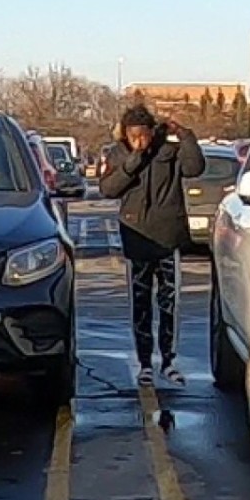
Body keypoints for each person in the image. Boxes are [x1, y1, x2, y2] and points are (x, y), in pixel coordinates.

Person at [99, 105, 205, 388]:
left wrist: (184, 135)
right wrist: (134, 160)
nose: (139, 141)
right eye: (133, 136)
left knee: (170, 303)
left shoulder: (167, 150)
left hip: (167, 238)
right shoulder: (118, 153)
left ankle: (168, 360)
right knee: (141, 304)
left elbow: (194, 168)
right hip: (137, 239)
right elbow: (108, 189)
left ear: (150, 131)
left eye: (142, 135)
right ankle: (145, 362)